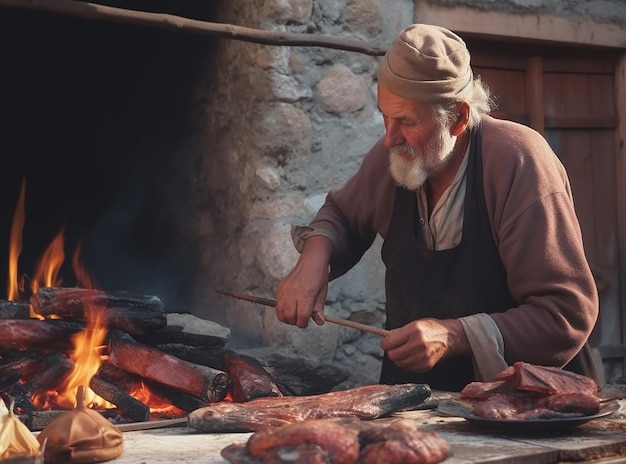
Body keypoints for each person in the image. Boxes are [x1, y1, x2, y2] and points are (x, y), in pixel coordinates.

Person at [275, 24, 600, 391]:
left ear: (459, 118)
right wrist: (314, 257)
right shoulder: (396, 157)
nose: (389, 138)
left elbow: (565, 315)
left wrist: (456, 335)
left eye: (407, 121)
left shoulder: (517, 160)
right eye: (385, 116)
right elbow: (341, 216)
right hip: (418, 406)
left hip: (525, 404)